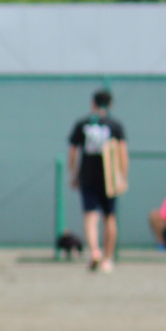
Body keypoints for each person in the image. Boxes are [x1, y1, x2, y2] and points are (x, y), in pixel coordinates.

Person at [67, 88, 127, 272]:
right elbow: (122, 153)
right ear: (111, 105)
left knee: (91, 216)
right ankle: (108, 258)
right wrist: (122, 176)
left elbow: (73, 152)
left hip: (88, 175)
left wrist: (73, 173)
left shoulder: (82, 124)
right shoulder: (115, 125)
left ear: (93, 103)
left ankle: (94, 251)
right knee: (110, 217)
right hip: (109, 177)